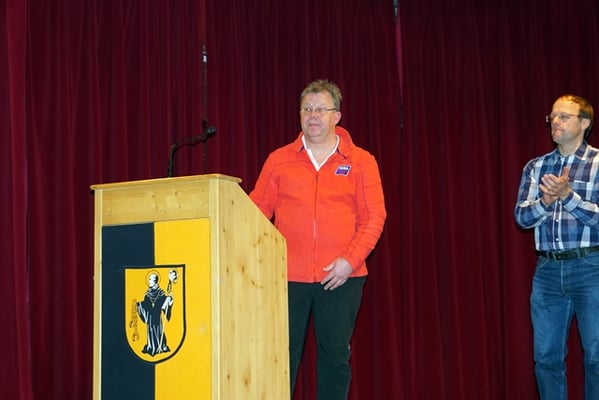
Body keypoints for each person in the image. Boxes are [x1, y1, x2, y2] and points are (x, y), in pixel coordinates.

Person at [249, 79, 386, 399]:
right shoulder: (279, 160)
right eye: (307, 109)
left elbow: (374, 217)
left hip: (342, 277)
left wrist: (349, 261)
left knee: (334, 358)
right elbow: (254, 212)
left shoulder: (361, 161)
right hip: (286, 277)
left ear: (337, 116)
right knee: (280, 358)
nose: (313, 115)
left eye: (321, 109)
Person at [514, 94, 599, 399]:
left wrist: (568, 197)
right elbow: (522, 218)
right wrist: (547, 201)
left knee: (596, 357)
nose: (556, 122)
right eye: (553, 117)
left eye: (564, 116)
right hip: (548, 271)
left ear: (585, 123)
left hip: (591, 268)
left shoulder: (598, 163)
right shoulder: (536, 166)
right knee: (546, 359)